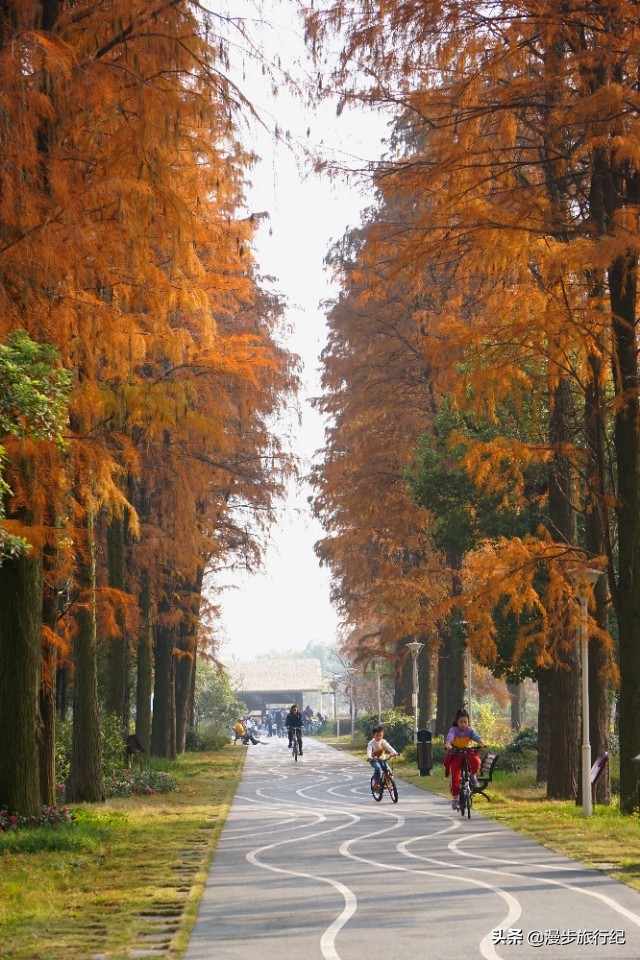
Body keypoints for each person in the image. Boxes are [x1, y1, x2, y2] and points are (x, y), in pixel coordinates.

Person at [445, 709, 485, 810]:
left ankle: (472, 775)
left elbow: (476, 736)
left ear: (468, 722)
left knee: (476, 761)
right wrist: (448, 744)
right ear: (457, 722)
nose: (463, 724)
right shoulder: (453, 730)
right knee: (455, 777)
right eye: (461, 722)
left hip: (468, 753)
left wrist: (481, 742)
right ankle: (455, 799)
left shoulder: (470, 730)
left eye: (465, 722)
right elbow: (449, 738)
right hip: (456, 754)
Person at [367, 725, 398, 790]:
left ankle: (389, 783)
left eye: (380, 735)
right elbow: (369, 750)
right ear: (373, 735)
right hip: (374, 760)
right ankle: (376, 783)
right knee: (378, 768)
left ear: (382, 735)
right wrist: (369, 757)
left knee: (389, 771)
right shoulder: (371, 743)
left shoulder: (383, 742)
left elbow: (389, 747)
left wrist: (394, 753)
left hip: (382, 759)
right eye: (377, 735)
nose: (379, 737)